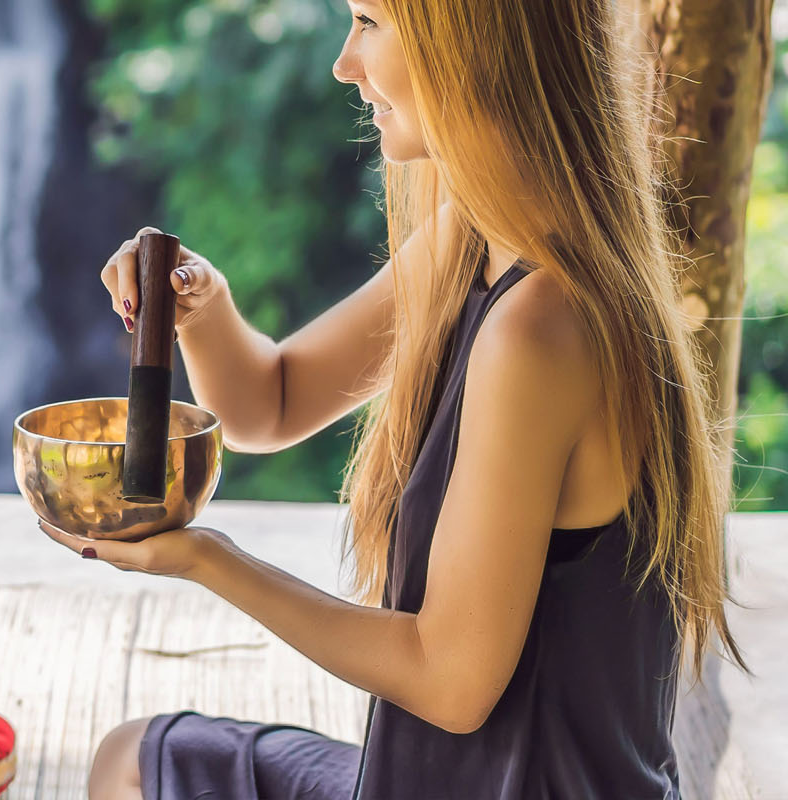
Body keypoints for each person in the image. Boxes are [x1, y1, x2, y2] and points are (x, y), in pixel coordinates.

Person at [61, 1, 741, 798]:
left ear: (476, 42)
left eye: (371, 22)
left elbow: (450, 682)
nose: (346, 64)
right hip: (429, 780)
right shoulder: (474, 240)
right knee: (133, 760)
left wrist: (210, 561)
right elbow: (268, 405)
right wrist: (202, 309)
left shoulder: (541, 328)